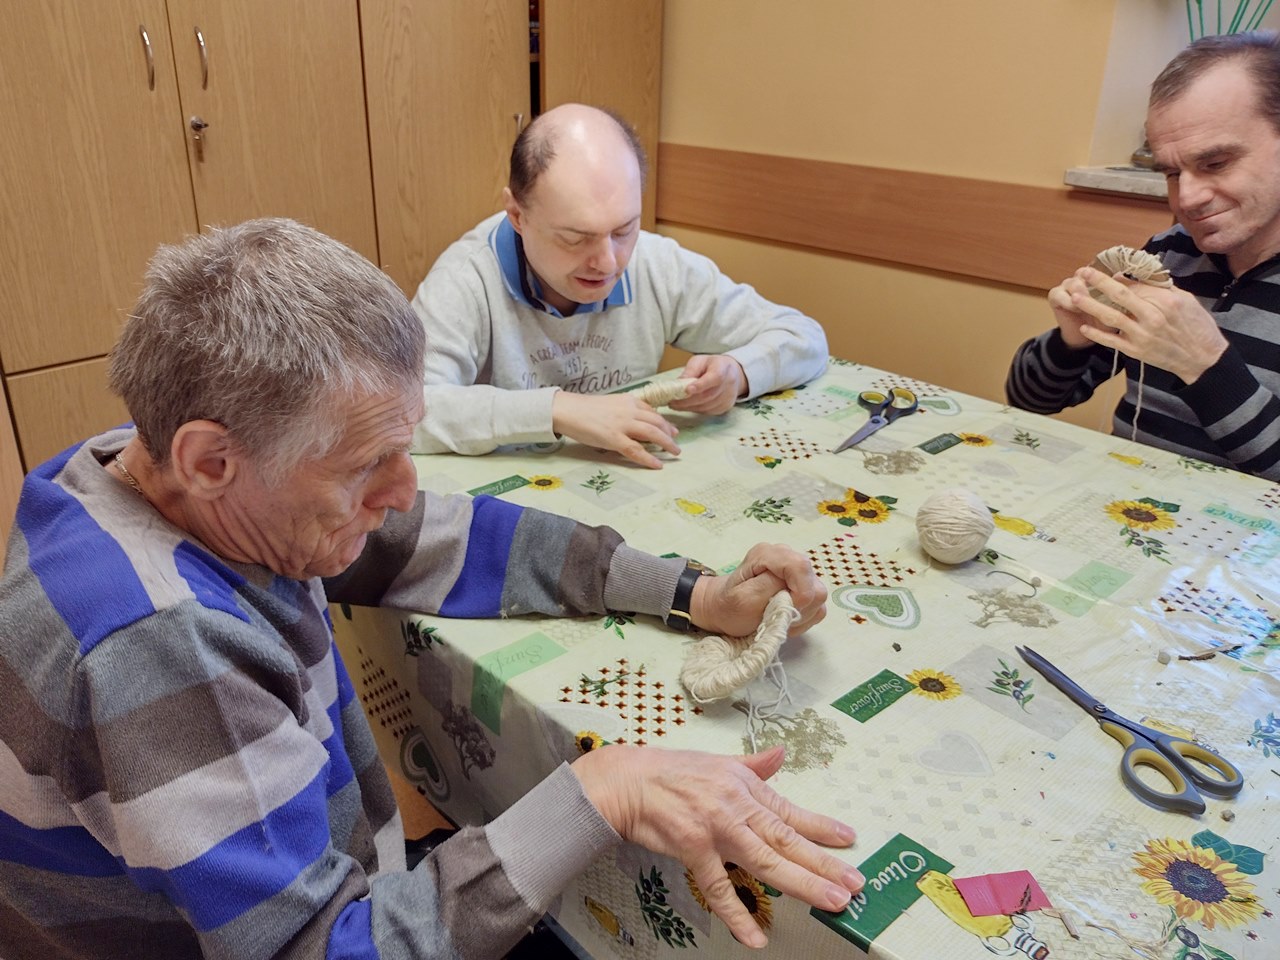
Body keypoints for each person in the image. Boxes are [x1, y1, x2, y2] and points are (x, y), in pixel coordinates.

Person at [0, 219, 862, 960]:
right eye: (367, 463)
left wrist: (692, 593)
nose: (404, 489)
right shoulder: (160, 644)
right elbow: (322, 947)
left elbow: (440, 536)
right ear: (208, 459)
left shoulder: (152, 468)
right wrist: (605, 790)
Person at [410, 103, 829, 469]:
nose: (608, 263)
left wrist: (738, 372)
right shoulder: (467, 278)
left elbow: (804, 336)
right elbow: (406, 413)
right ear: (518, 216)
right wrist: (558, 410)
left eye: (624, 230)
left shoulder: (656, 263)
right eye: (575, 238)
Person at [1006, 31, 1280, 482]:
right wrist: (1072, 342)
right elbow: (1029, 399)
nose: (1186, 199)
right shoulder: (1170, 254)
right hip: (1130, 508)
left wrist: (1205, 364)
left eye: (1215, 163)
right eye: (1171, 172)